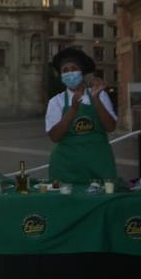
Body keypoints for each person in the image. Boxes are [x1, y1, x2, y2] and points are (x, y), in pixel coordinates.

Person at [44, 47, 117, 183]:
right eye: (65, 70)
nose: (70, 73)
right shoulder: (56, 102)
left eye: (74, 68)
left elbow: (110, 127)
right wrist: (72, 110)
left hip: (99, 164)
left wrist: (96, 99)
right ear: (61, 76)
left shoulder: (100, 94)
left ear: (82, 72)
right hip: (66, 166)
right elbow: (54, 136)